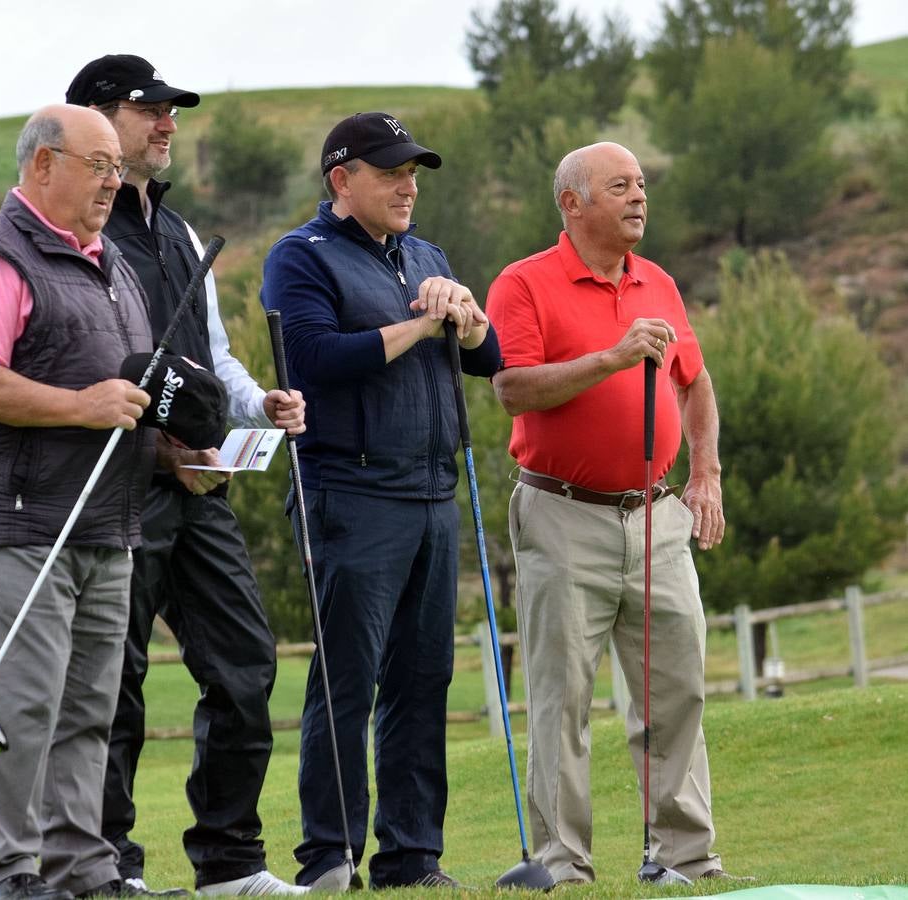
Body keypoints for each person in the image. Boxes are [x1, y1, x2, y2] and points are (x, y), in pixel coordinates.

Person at [65, 55, 307, 896]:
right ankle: (109, 868)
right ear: (97, 118)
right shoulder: (80, 230)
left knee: (246, 665)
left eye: (171, 111)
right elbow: (76, 361)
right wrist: (160, 447)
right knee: (113, 684)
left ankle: (231, 863)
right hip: (116, 489)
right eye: (149, 109)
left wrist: (257, 403)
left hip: (202, 489)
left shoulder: (181, 232)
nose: (167, 123)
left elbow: (215, 357)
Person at [484, 141, 737, 886]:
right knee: (562, 695)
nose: (638, 198)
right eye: (619, 186)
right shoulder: (522, 284)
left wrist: (706, 475)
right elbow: (512, 388)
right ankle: (562, 863)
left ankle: (684, 856)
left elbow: (694, 383)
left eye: (641, 186)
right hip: (562, 513)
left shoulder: (656, 280)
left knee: (677, 687)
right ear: (572, 202)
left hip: (657, 517)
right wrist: (612, 357)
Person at [260, 112, 501, 891]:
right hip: (351, 490)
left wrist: (464, 315)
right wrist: (421, 323)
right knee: (347, 679)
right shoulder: (301, 257)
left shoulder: (424, 254)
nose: (408, 185)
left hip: (431, 490)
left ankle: (410, 857)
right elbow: (315, 358)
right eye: (392, 172)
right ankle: (330, 856)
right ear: (342, 180)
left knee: (421, 678)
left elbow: (488, 358)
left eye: (414, 173)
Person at [0, 104, 171, 899]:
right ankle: (9, 875)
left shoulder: (112, 263)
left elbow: (123, 393)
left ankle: (83, 871)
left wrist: (175, 451)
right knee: (25, 705)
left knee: (88, 712)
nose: (114, 181)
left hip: (106, 522)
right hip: (17, 518)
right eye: (99, 164)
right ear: (43, 165)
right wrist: (82, 408)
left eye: (117, 168)